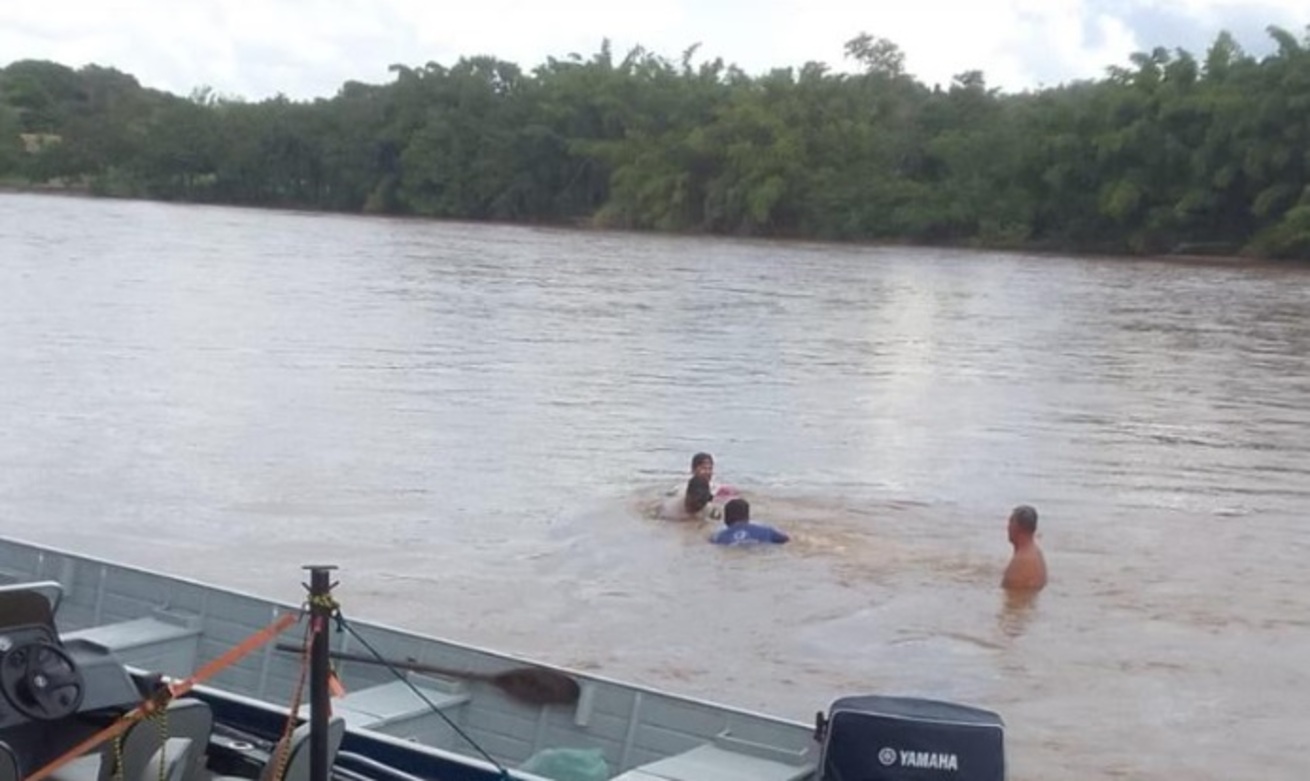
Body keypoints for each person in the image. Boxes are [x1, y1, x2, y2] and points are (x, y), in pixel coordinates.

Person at [1001, 504, 1047, 591]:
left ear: (1017, 527)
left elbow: (1014, 600)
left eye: (1010, 522)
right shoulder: (1035, 552)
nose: (1007, 527)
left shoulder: (1022, 560)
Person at [710, 499, 789, 546]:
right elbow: (786, 540)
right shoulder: (767, 530)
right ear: (747, 515)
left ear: (726, 518)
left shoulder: (719, 536)